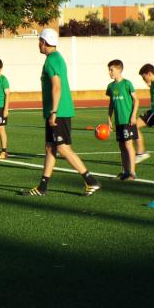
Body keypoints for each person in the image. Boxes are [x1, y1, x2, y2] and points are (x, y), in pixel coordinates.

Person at [22, 29, 101, 196]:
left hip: (59, 112)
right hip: (59, 111)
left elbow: (57, 86)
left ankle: (90, 180)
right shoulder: (57, 58)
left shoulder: (51, 61)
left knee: (63, 148)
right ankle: (42, 187)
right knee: (50, 147)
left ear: (44, 42)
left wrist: (54, 112)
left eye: (39, 41)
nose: (38, 44)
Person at [106, 59, 139, 180]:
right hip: (118, 121)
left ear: (119, 70)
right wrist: (109, 119)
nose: (109, 72)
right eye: (109, 70)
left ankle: (132, 173)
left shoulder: (127, 84)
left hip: (128, 120)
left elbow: (136, 100)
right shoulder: (111, 86)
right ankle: (125, 171)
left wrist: (133, 115)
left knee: (128, 144)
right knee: (121, 146)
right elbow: (111, 103)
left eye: (111, 70)